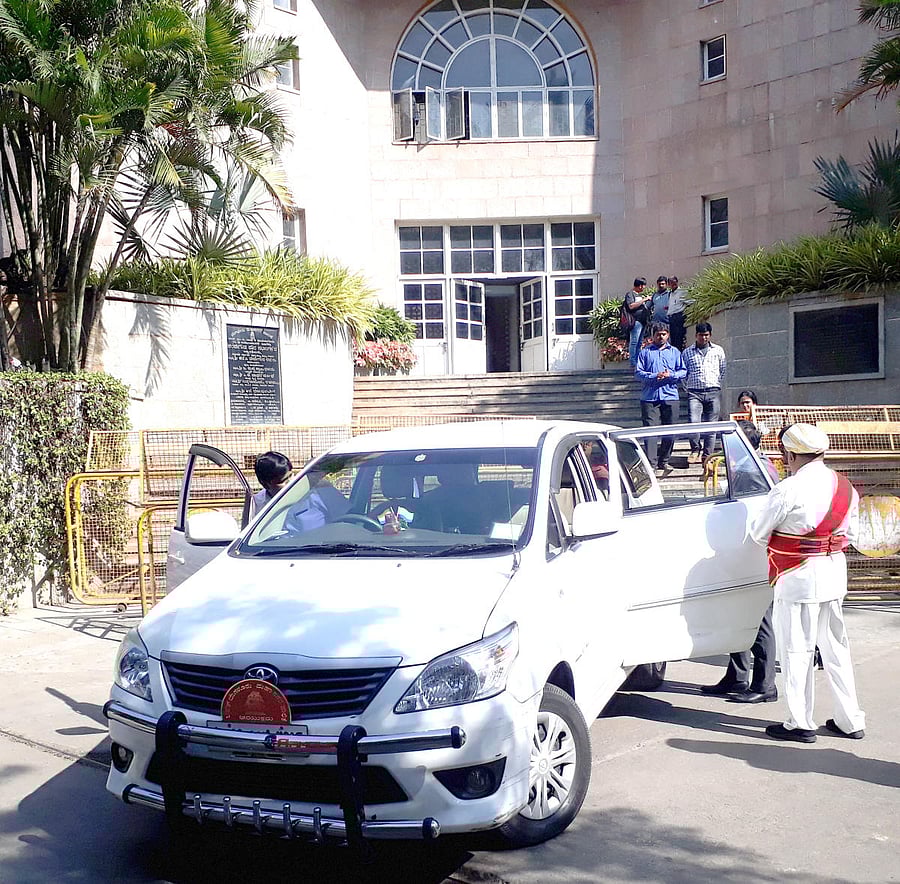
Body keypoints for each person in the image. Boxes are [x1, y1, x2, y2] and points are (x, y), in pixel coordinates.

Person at [750, 423, 866, 743]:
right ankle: (850, 719)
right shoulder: (845, 487)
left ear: (789, 453)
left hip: (798, 577)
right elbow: (851, 536)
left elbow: (758, 533)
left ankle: (800, 722)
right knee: (837, 650)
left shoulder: (788, 489)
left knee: (797, 651)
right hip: (834, 575)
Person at [700, 419, 778, 703]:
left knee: (759, 620)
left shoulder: (750, 472)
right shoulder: (755, 467)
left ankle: (763, 684)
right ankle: (737, 675)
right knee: (738, 615)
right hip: (741, 553)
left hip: (753, 555)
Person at [635, 323, 686, 478]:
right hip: (649, 397)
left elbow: (683, 371)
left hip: (670, 396)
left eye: (664, 334)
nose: (661, 337)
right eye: (658, 334)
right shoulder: (645, 353)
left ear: (668, 335)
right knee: (650, 431)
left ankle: (664, 460)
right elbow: (638, 373)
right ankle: (651, 464)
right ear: (652, 335)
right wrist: (654, 376)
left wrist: (670, 375)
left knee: (669, 430)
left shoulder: (675, 352)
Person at [681, 322, 726, 464]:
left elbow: (723, 370)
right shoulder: (687, 352)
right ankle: (695, 450)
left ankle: (708, 455)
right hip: (695, 393)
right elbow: (683, 373)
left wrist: (716, 384)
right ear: (696, 335)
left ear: (710, 335)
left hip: (713, 391)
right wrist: (687, 388)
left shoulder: (718, 351)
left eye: (706, 335)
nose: (704, 338)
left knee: (711, 426)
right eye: (701, 335)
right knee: (694, 422)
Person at [250, 450, 293, 517]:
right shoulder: (256, 507)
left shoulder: (305, 494)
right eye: (283, 481)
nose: (290, 482)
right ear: (265, 485)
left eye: (291, 476)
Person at [624, 278, 652, 369]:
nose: (644, 288)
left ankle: (638, 362)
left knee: (639, 343)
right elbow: (631, 306)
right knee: (634, 342)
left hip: (643, 321)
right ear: (640, 285)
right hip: (636, 321)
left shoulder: (639, 295)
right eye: (643, 286)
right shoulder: (630, 294)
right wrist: (644, 300)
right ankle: (633, 362)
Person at [666, 276, 689, 350]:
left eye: (674, 282)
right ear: (669, 284)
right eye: (671, 283)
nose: (673, 284)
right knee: (673, 340)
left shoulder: (682, 292)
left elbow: (690, 302)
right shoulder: (670, 294)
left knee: (679, 339)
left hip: (678, 318)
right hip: (671, 319)